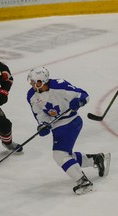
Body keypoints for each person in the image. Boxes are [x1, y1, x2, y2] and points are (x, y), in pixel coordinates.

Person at [26, 66, 111, 195]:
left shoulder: (60, 85)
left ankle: (83, 182)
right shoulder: (31, 95)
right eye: (31, 81)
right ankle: (96, 159)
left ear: (42, 81)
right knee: (67, 156)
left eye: (34, 81)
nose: (31, 84)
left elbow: (84, 95)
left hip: (71, 122)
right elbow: (39, 114)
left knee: (59, 155)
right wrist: (43, 124)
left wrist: (79, 101)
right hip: (57, 126)